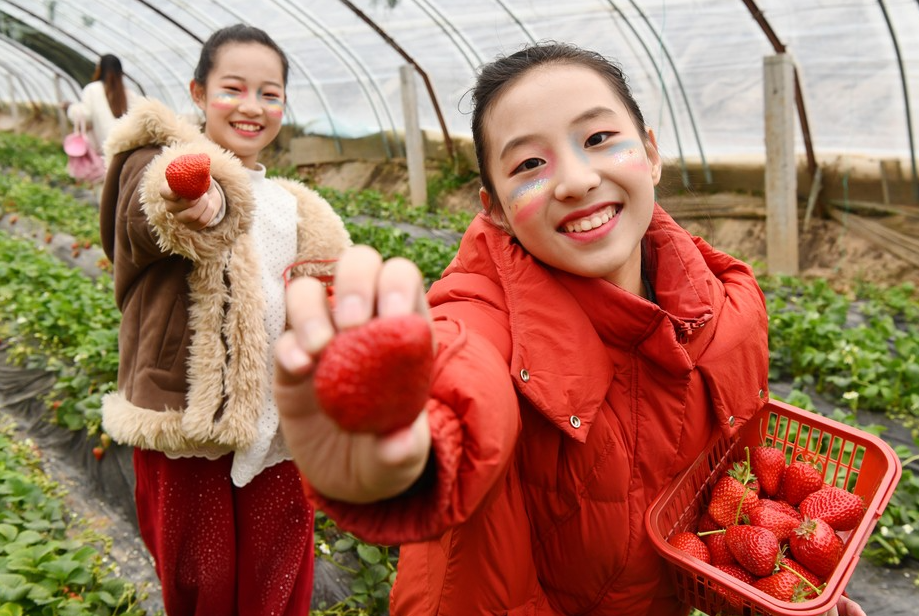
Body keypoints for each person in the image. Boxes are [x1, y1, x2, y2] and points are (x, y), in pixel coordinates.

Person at [273, 43, 866, 616]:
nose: (576, 180)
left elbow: (723, 503)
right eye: (529, 163)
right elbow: (459, 376)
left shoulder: (729, 308)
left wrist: (777, 584)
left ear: (651, 154)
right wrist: (404, 456)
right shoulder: (484, 316)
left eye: (598, 138)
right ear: (496, 209)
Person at [98, 24, 350, 616]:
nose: (252, 107)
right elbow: (151, 209)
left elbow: (323, 298)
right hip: (190, 425)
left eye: (270, 94)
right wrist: (199, 200)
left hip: (279, 433)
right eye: (233, 88)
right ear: (198, 91)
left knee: (278, 583)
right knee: (201, 580)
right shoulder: (152, 164)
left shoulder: (294, 206)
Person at [64, 54, 138, 158]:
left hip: (105, 151)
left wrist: (70, 108)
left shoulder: (92, 89)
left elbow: (86, 116)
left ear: (100, 69)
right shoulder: (130, 94)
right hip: (129, 151)